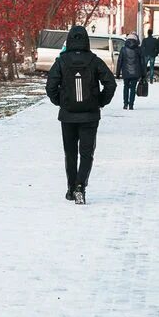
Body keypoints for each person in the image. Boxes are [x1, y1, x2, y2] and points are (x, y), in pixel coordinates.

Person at [46, 25, 116, 205]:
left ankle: (71, 188)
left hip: (68, 116)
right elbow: (110, 83)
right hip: (90, 116)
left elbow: (50, 86)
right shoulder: (94, 60)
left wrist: (60, 102)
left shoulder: (61, 61)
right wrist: (100, 101)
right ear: (86, 40)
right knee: (86, 154)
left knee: (70, 154)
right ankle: (80, 187)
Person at [117, 33, 146, 110]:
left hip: (125, 72)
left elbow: (119, 61)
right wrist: (144, 74)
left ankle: (125, 104)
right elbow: (142, 62)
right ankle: (131, 105)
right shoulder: (139, 49)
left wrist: (117, 73)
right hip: (136, 72)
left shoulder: (123, 49)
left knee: (125, 87)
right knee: (133, 88)